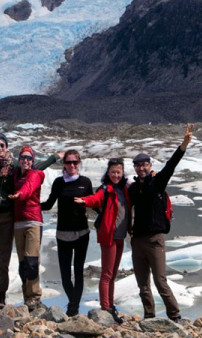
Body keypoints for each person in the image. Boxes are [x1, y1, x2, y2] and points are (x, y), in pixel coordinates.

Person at [0, 99, 60, 308]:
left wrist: (54, 157)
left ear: (7, 147)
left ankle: (1, 295)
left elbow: (35, 166)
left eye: (2, 145)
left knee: (4, 257)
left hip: (8, 215)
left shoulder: (13, 166)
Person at [128, 124, 194, 322]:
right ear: (135, 168)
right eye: (138, 165)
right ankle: (149, 316)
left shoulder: (158, 182)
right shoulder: (132, 188)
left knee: (160, 281)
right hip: (137, 241)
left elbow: (172, 164)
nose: (141, 168)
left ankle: (175, 315)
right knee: (142, 284)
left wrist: (184, 144)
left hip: (155, 239)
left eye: (144, 164)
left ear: (149, 165)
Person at [75, 158, 131, 324]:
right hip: (109, 236)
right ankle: (105, 307)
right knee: (107, 274)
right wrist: (85, 201)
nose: (115, 175)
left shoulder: (125, 188)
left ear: (122, 173)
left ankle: (110, 305)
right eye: (113, 172)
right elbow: (96, 198)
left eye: (118, 172)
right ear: (108, 173)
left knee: (113, 274)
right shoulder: (106, 189)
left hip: (120, 237)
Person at [41, 149, 93, 316]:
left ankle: (73, 308)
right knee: (64, 274)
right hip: (63, 234)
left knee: (78, 272)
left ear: (79, 163)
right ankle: (73, 303)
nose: (72, 165)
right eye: (69, 162)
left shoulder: (85, 182)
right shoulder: (58, 182)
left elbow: (94, 203)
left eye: (75, 162)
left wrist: (110, 216)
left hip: (82, 233)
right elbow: (49, 204)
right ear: (64, 164)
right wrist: (29, 203)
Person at [8, 146, 45, 310]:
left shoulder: (35, 175)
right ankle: (27, 298)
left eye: (29, 158)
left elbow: (28, 188)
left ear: (32, 161)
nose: (25, 160)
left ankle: (35, 297)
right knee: (23, 263)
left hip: (32, 221)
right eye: (23, 157)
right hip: (18, 222)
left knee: (31, 260)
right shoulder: (16, 174)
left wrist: (19, 195)